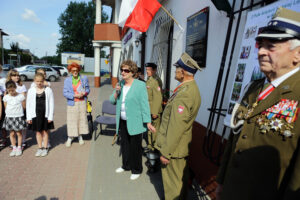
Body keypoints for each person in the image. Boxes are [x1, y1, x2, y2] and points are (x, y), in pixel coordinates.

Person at [216, 8, 300, 200]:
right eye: (260, 44)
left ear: (297, 54)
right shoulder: (254, 87)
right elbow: (235, 137)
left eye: (271, 46)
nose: (261, 51)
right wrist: (221, 180)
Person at [155, 52, 201, 200]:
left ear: (183, 72)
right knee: (179, 186)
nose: (175, 71)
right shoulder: (187, 88)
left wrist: (166, 152)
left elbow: (176, 127)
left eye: (177, 68)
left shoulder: (185, 94)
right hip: (179, 148)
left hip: (174, 150)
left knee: (173, 189)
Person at [110, 60, 155, 180]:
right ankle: (126, 165)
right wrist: (116, 93)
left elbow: (144, 104)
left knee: (135, 147)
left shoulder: (140, 85)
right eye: (122, 70)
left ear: (132, 72)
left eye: (126, 70)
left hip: (136, 121)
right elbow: (112, 100)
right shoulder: (120, 84)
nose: (123, 72)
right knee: (124, 145)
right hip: (123, 121)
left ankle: (137, 169)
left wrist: (148, 122)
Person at [27, 73, 54, 157]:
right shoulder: (31, 90)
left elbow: (51, 103)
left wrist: (50, 116)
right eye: (37, 81)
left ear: (43, 81)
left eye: (41, 81)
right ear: (34, 81)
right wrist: (29, 117)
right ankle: (40, 148)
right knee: (38, 132)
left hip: (45, 114)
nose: (39, 83)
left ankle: (45, 148)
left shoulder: (48, 90)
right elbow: (28, 104)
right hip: (35, 114)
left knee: (45, 132)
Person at [63, 62, 90, 147]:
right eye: (73, 70)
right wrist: (74, 95)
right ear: (70, 71)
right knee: (72, 120)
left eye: (76, 70)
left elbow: (88, 89)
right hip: (72, 103)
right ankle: (70, 137)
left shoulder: (84, 78)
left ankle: (79, 136)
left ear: (78, 70)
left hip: (82, 102)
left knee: (81, 120)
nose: (75, 72)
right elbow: (65, 93)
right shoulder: (67, 80)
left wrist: (84, 93)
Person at [145, 62, 163, 172]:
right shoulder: (150, 79)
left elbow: (158, 97)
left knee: (155, 134)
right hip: (149, 111)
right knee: (150, 133)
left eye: (149, 70)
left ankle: (155, 161)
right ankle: (151, 155)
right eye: (146, 69)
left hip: (154, 112)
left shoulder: (156, 81)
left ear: (155, 70)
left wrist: (155, 112)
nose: (147, 71)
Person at [3, 81, 26, 156]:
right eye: (9, 91)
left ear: (15, 88)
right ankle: (14, 147)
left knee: (19, 133)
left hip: (18, 116)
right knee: (12, 133)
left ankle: (19, 147)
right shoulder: (6, 97)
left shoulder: (20, 96)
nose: (11, 92)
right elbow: (6, 106)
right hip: (9, 117)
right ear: (6, 89)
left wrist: (20, 114)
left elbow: (24, 106)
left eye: (12, 90)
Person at [6, 69, 27, 149]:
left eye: (18, 75)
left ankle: (23, 141)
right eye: (15, 75)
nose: (17, 77)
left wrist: (23, 109)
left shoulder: (21, 86)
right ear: (10, 77)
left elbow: (22, 98)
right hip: (11, 110)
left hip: (20, 109)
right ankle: (14, 143)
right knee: (12, 129)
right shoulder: (7, 84)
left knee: (21, 128)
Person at [0, 65, 6, 147]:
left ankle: (4, 139)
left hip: (2, 102)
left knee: (2, 123)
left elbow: (5, 92)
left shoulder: (3, 80)